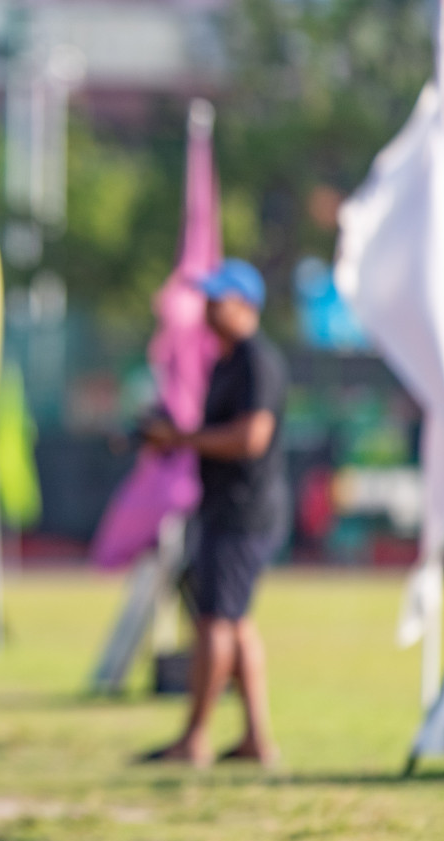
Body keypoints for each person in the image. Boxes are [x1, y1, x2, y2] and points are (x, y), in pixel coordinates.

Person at [139, 258, 287, 767]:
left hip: (245, 511)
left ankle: (195, 739)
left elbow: (252, 437)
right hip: (229, 505)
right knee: (236, 622)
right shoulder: (226, 361)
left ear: (246, 305)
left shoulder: (254, 360)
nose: (207, 306)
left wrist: (181, 438)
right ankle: (256, 742)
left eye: (218, 298)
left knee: (215, 623)